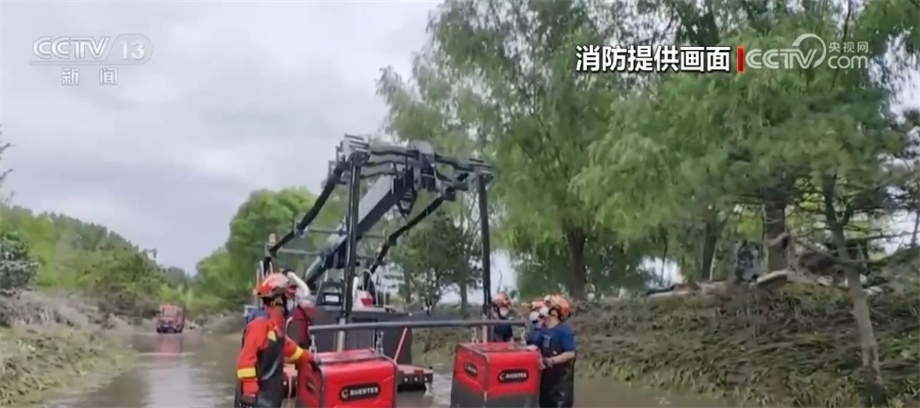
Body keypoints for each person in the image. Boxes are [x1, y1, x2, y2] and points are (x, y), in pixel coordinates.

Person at [236, 273, 313, 408]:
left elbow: (287, 348)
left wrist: (308, 357)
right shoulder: (259, 324)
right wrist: (250, 392)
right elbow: (246, 361)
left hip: (269, 398)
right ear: (276, 300)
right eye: (288, 297)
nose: (291, 302)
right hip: (257, 400)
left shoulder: (275, 326)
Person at [528, 294, 576, 408]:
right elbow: (533, 346)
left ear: (555, 312)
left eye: (547, 305)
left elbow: (570, 353)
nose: (543, 307)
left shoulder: (564, 331)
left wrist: (550, 361)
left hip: (560, 388)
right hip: (545, 384)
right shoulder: (543, 329)